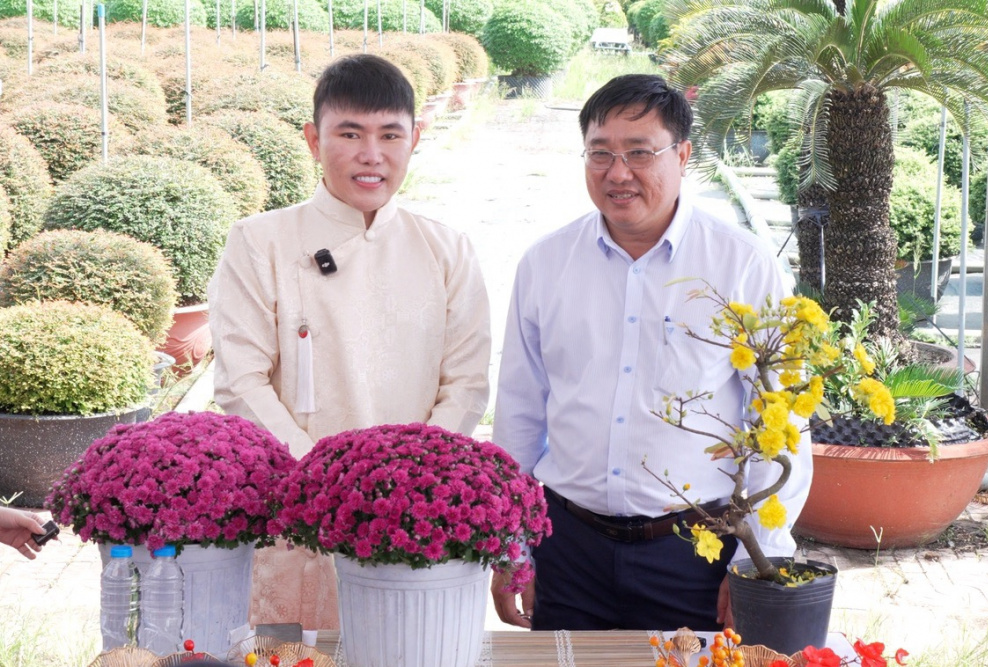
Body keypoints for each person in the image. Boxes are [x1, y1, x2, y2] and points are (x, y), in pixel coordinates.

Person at [491, 74, 811, 632]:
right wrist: (511, 545)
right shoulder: (545, 263)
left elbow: (780, 424)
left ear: (682, 155)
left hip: (697, 552)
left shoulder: (741, 264)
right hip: (567, 549)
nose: (618, 173)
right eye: (600, 153)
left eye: (640, 153)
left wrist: (756, 560)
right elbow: (520, 410)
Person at [209, 54, 491, 634]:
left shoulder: (446, 250)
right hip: (297, 502)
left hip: (411, 511)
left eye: (390, 134)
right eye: (350, 134)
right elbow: (240, 382)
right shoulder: (260, 241)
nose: (372, 154)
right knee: (296, 648)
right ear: (314, 140)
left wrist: (410, 480)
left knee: (406, 643)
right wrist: (325, 477)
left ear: (415, 138)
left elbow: (465, 383)